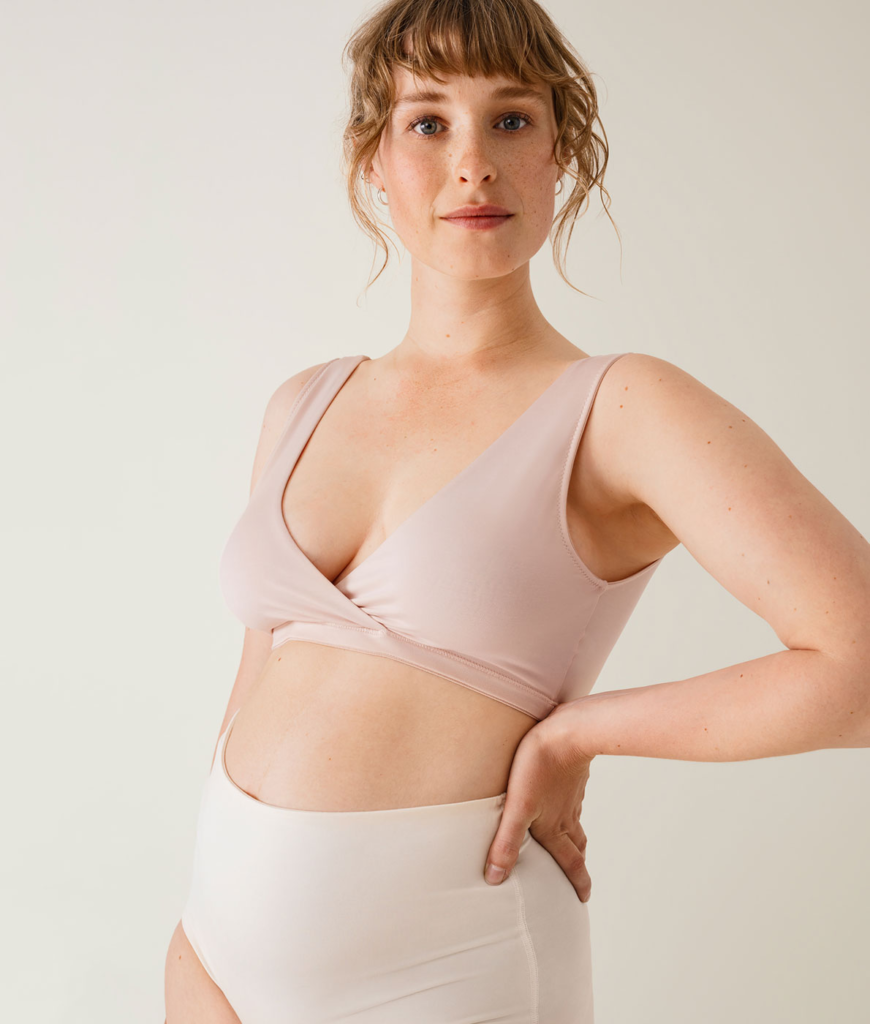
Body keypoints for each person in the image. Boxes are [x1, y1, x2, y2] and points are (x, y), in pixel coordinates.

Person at [163, 1, 870, 1021]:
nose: (473, 164)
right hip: (218, 966)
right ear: (373, 157)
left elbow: (857, 665)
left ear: (561, 152)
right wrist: (199, 945)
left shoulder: (622, 408)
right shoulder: (302, 403)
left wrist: (579, 733)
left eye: (511, 119)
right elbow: (255, 683)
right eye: (428, 122)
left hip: (448, 972)